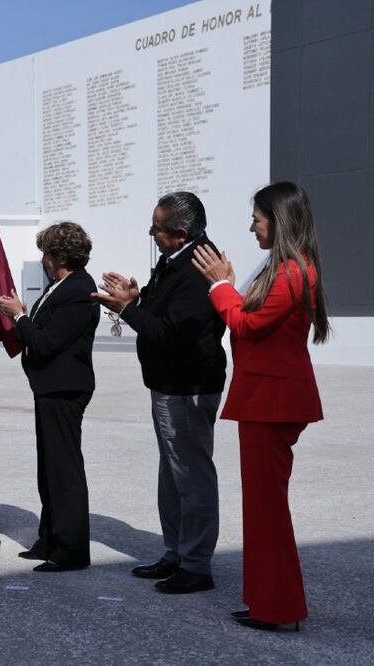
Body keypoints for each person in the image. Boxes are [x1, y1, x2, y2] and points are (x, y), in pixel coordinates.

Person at [191, 181, 329, 632]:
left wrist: (221, 286)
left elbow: (245, 325)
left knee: (267, 510)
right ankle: (268, 601)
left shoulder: (291, 271)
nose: (252, 226)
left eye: (258, 218)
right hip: (268, 400)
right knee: (264, 508)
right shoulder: (285, 267)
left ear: (280, 220)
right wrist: (229, 284)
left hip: (271, 403)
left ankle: (278, 608)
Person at [93, 192, 226, 594]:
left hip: (188, 386)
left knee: (191, 474)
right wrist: (136, 298)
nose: (151, 233)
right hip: (167, 384)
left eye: (157, 228)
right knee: (172, 474)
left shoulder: (199, 267)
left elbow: (171, 332)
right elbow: (159, 308)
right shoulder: (176, 260)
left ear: (181, 231)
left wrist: (128, 309)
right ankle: (177, 552)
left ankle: (196, 564)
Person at [0, 222, 99, 572]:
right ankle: (50, 538)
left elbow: (47, 342)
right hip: (49, 387)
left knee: (64, 470)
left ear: (59, 257)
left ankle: (70, 550)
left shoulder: (79, 289)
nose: (43, 261)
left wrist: (19, 315)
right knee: (49, 468)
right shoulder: (61, 287)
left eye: (46, 254)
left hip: (65, 388)